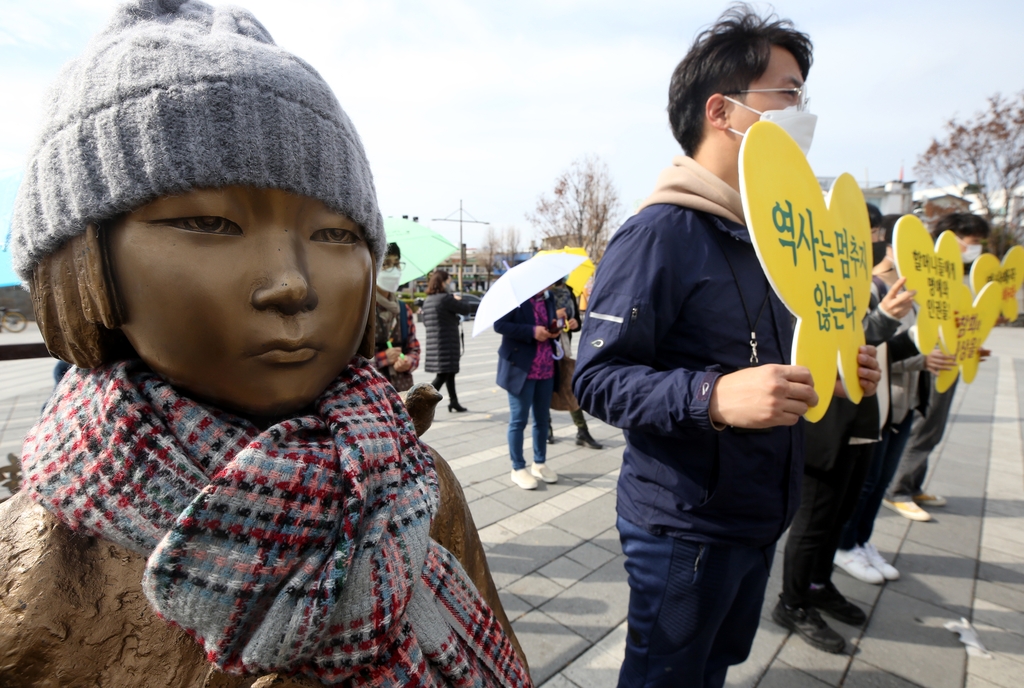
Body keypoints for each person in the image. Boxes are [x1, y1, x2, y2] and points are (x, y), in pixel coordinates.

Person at [1, 2, 529, 686]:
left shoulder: (410, 488)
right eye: (209, 223)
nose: (292, 283)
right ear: (83, 255)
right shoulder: (30, 565)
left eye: (336, 235)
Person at [573, 7, 879, 686]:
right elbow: (596, 378)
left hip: (759, 512)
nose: (803, 112)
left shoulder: (776, 241)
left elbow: (776, 359)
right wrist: (712, 397)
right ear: (724, 109)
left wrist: (828, 370)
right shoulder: (661, 232)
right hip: (685, 529)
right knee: (667, 675)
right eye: (788, 93)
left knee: (717, 667)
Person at [774, 205, 914, 654]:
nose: (867, 239)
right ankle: (792, 602)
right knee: (813, 521)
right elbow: (837, 339)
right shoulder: (806, 278)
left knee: (840, 515)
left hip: (863, 416)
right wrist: (886, 319)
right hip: (826, 422)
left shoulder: (857, 281)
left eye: (869, 231)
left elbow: (862, 338)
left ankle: (819, 585)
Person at [834, 214, 956, 583]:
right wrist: (919, 353)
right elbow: (867, 345)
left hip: (907, 399)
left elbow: (923, 337)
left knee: (880, 481)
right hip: (880, 399)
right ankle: (844, 546)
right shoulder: (867, 287)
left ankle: (862, 540)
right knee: (864, 482)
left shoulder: (918, 292)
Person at [883, 212, 991, 521]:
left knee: (933, 428)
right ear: (952, 237)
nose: (975, 249)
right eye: (972, 243)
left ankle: (912, 484)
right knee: (922, 426)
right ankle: (898, 490)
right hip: (925, 363)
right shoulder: (921, 271)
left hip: (948, 359)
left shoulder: (954, 274)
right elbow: (911, 327)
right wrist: (923, 357)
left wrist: (971, 342)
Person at [495, 288, 561, 490]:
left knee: (542, 419)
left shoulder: (548, 299)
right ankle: (517, 467)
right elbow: (500, 325)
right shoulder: (514, 298)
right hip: (521, 368)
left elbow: (548, 324)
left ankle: (539, 463)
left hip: (546, 368)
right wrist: (532, 331)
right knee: (519, 420)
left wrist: (554, 330)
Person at [548, 278, 602, 449]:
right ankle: (546, 428)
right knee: (545, 391)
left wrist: (574, 323)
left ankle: (582, 431)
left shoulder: (568, 290)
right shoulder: (539, 294)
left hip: (564, 346)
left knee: (570, 388)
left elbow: (576, 320)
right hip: (544, 349)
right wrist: (553, 317)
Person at [421, 269, 475, 412]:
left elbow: (427, 322)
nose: (450, 285)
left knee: (449, 373)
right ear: (442, 283)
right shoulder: (445, 298)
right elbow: (466, 309)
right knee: (442, 375)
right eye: (449, 282)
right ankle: (421, 405)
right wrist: (459, 299)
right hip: (447, 344)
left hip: (436, 344)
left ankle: (454, 402)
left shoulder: (428, 301)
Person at [372, 242, 420, 392]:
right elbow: (346, 360)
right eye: (386, 264)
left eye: (397, 264)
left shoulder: (403, 309)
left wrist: (409, 362)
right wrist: (382, 358)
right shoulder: (361, 309)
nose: (394, 270)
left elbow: (414, 349)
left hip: (402, 391)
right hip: (371, 394)